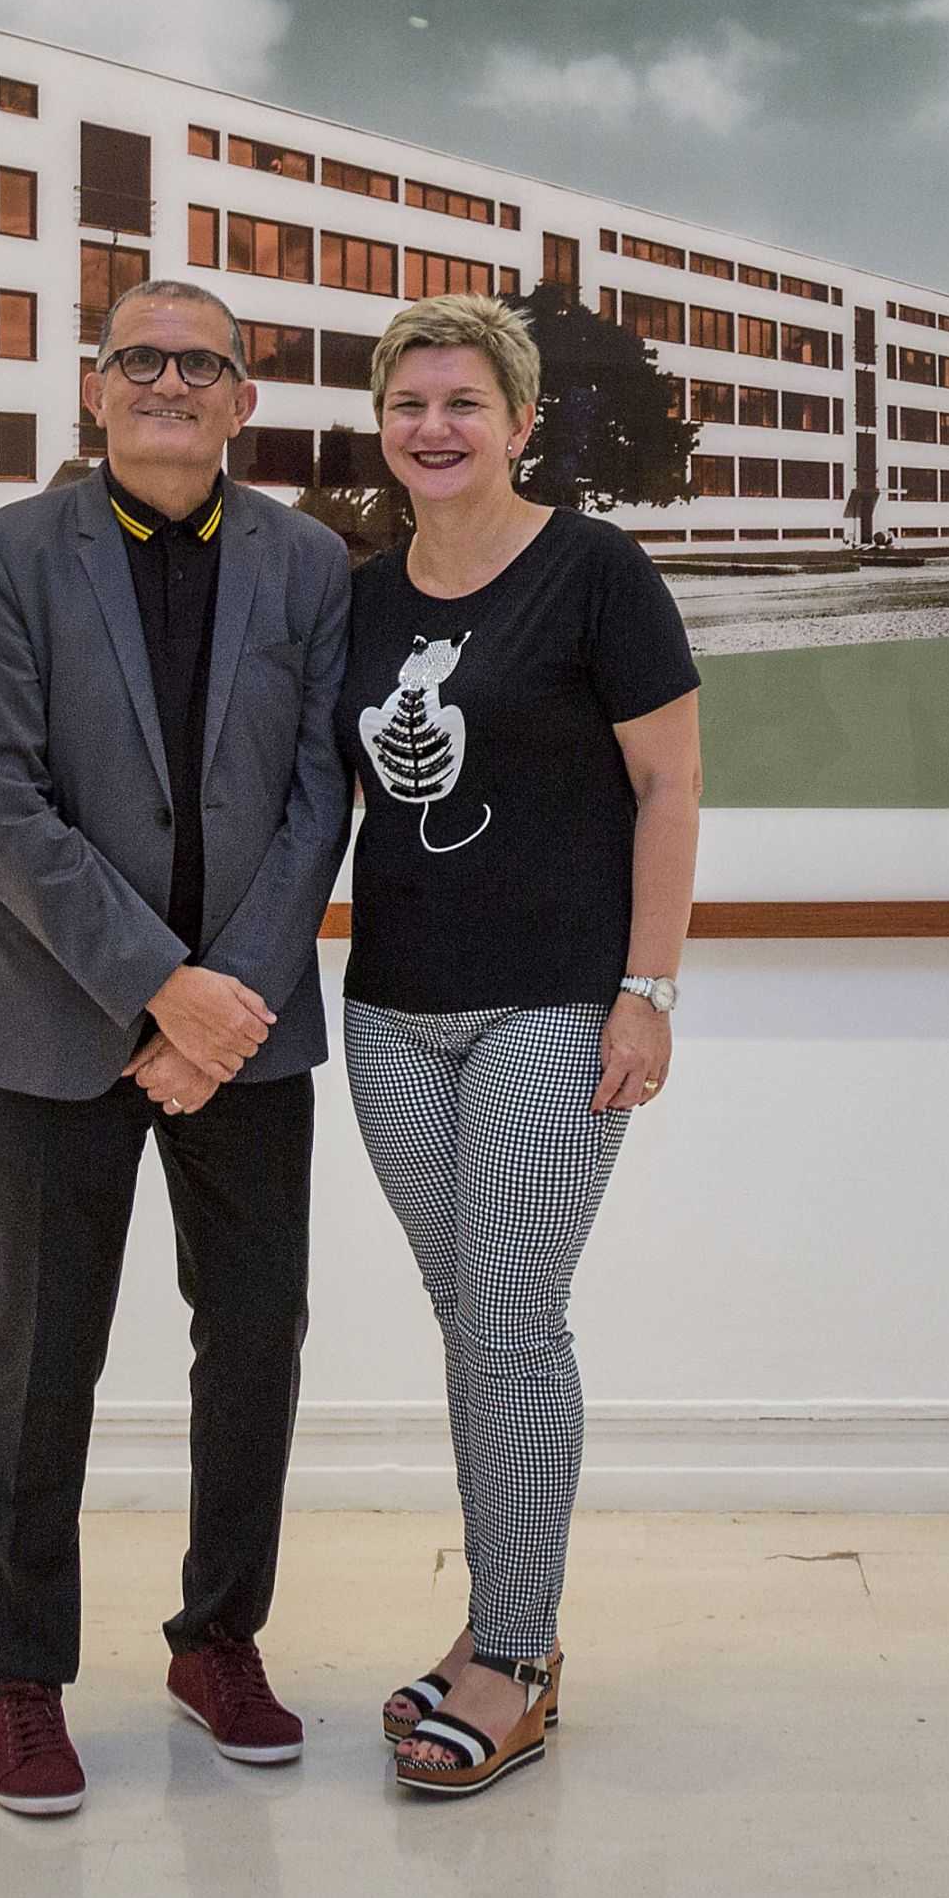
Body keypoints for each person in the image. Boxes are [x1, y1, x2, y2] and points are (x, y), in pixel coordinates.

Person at [0, 276, 359, 1816]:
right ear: (93, 388)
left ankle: (217, 1638)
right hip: (56, 1021)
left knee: (255, 1341)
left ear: (243, 399)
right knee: (43, 1355)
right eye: (141, 358)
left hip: (245, 1029)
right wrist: (153, 991)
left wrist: (225, 998)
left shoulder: (310, 562)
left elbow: (323, 793)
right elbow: (6, 809)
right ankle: (24, 1680)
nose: (169, 381)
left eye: (202, 363)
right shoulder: (3, 557)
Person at [333, 294, 701, 1800]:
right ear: (382, 425)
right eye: (408, 401)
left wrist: (648, 989)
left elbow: (668, 784)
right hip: (390, 1013)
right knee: (471, 1316)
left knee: (510, 1320)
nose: (434, 424)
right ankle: (497, 1624)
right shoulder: (361, 596)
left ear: (520, 421)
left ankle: (518, 1653)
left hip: (553, 1004)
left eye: (463, 401)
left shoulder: (597, 571)